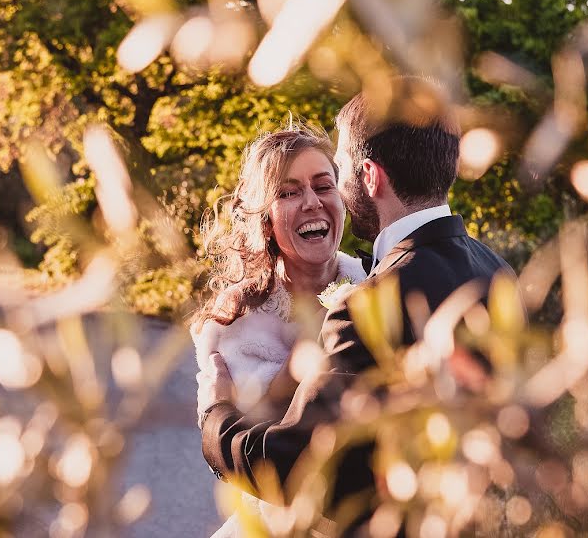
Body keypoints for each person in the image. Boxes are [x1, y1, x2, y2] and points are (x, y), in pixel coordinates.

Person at [197, 77, 516, 536]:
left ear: (369, 177)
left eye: (336, 175)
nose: (326, 196)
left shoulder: (371, 300)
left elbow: (301, 468)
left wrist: (216, 418)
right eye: (288, 192)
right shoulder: (498, 271)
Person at [191, 126, 367, 537]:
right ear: (265, 217)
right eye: (288, 193)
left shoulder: (374, 283)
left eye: (324, 185)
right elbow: (245, 445)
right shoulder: (235, 319)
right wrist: (310, 355)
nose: (311, 202)